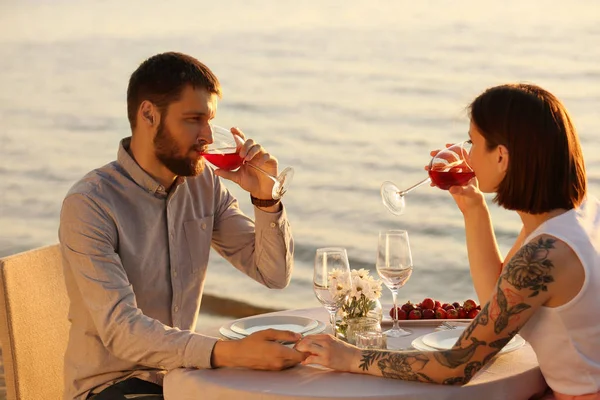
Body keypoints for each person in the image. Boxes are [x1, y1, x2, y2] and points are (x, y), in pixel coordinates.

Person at [295, 83, 600, 399]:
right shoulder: (576, 216)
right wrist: (473, 208)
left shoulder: (543, 256)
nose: (465, 154)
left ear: (501, 157)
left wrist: (349, 357)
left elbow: (457, 366)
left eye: (472, 142)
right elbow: (497, 298)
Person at [59, 52, 305, 400]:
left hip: (184, 379)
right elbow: (122, 331)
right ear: (148, 114)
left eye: (211, 121)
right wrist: (234, 353)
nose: (207, 136)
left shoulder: (204, 185)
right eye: (194, 119)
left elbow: (273, 275)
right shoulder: (90, 204)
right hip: (112, 387)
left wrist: (266, 199)